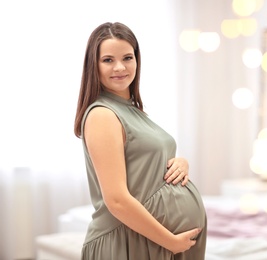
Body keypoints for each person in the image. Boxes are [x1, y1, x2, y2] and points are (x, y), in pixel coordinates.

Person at [73, 22, 207, 260]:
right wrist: (171, 242)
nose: (120, 67)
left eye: (127, 57)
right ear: (93, 64)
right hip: (127, 240)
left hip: (149, 240)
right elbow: (116, 200)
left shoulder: (131, 110)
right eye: (108, 60)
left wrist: (180, 163)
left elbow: (145, 163)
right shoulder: (102, 114)